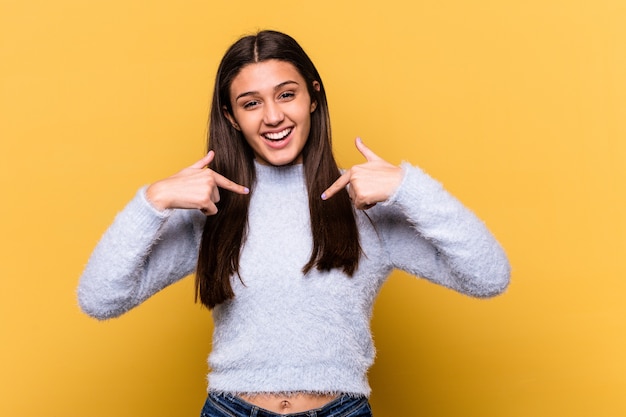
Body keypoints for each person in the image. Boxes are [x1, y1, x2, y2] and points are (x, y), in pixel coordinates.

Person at [77, 30, 510, 417]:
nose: (272, 117)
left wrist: (409, 187)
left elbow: (489, 276)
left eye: (287, 95)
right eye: (251, 103)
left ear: (313, 96)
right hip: (231, 408)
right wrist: (152, 202)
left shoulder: (365, 203)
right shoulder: (211, 208)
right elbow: (99, 299)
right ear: (231, 116)